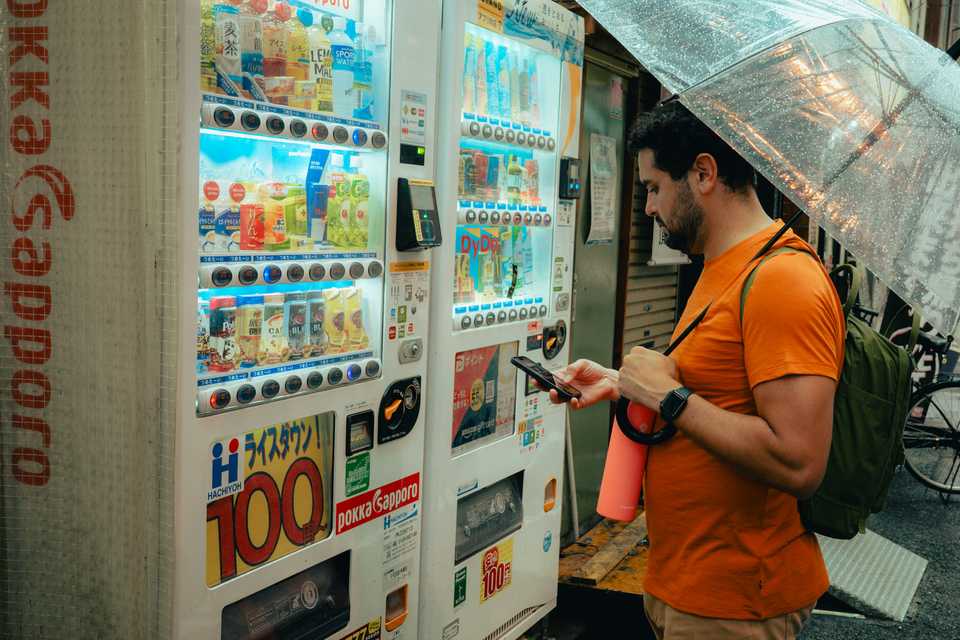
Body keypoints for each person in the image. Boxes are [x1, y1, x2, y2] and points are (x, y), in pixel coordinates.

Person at [547, 101, 845, 639]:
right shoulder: (719, 265)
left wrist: (669, 399)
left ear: (703, 174)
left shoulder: (783, 282)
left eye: (655, 187)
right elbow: (713, 393)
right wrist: (623, 385)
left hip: (735, 601)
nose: (647, 208)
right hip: (687, 583)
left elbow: (801, 462)